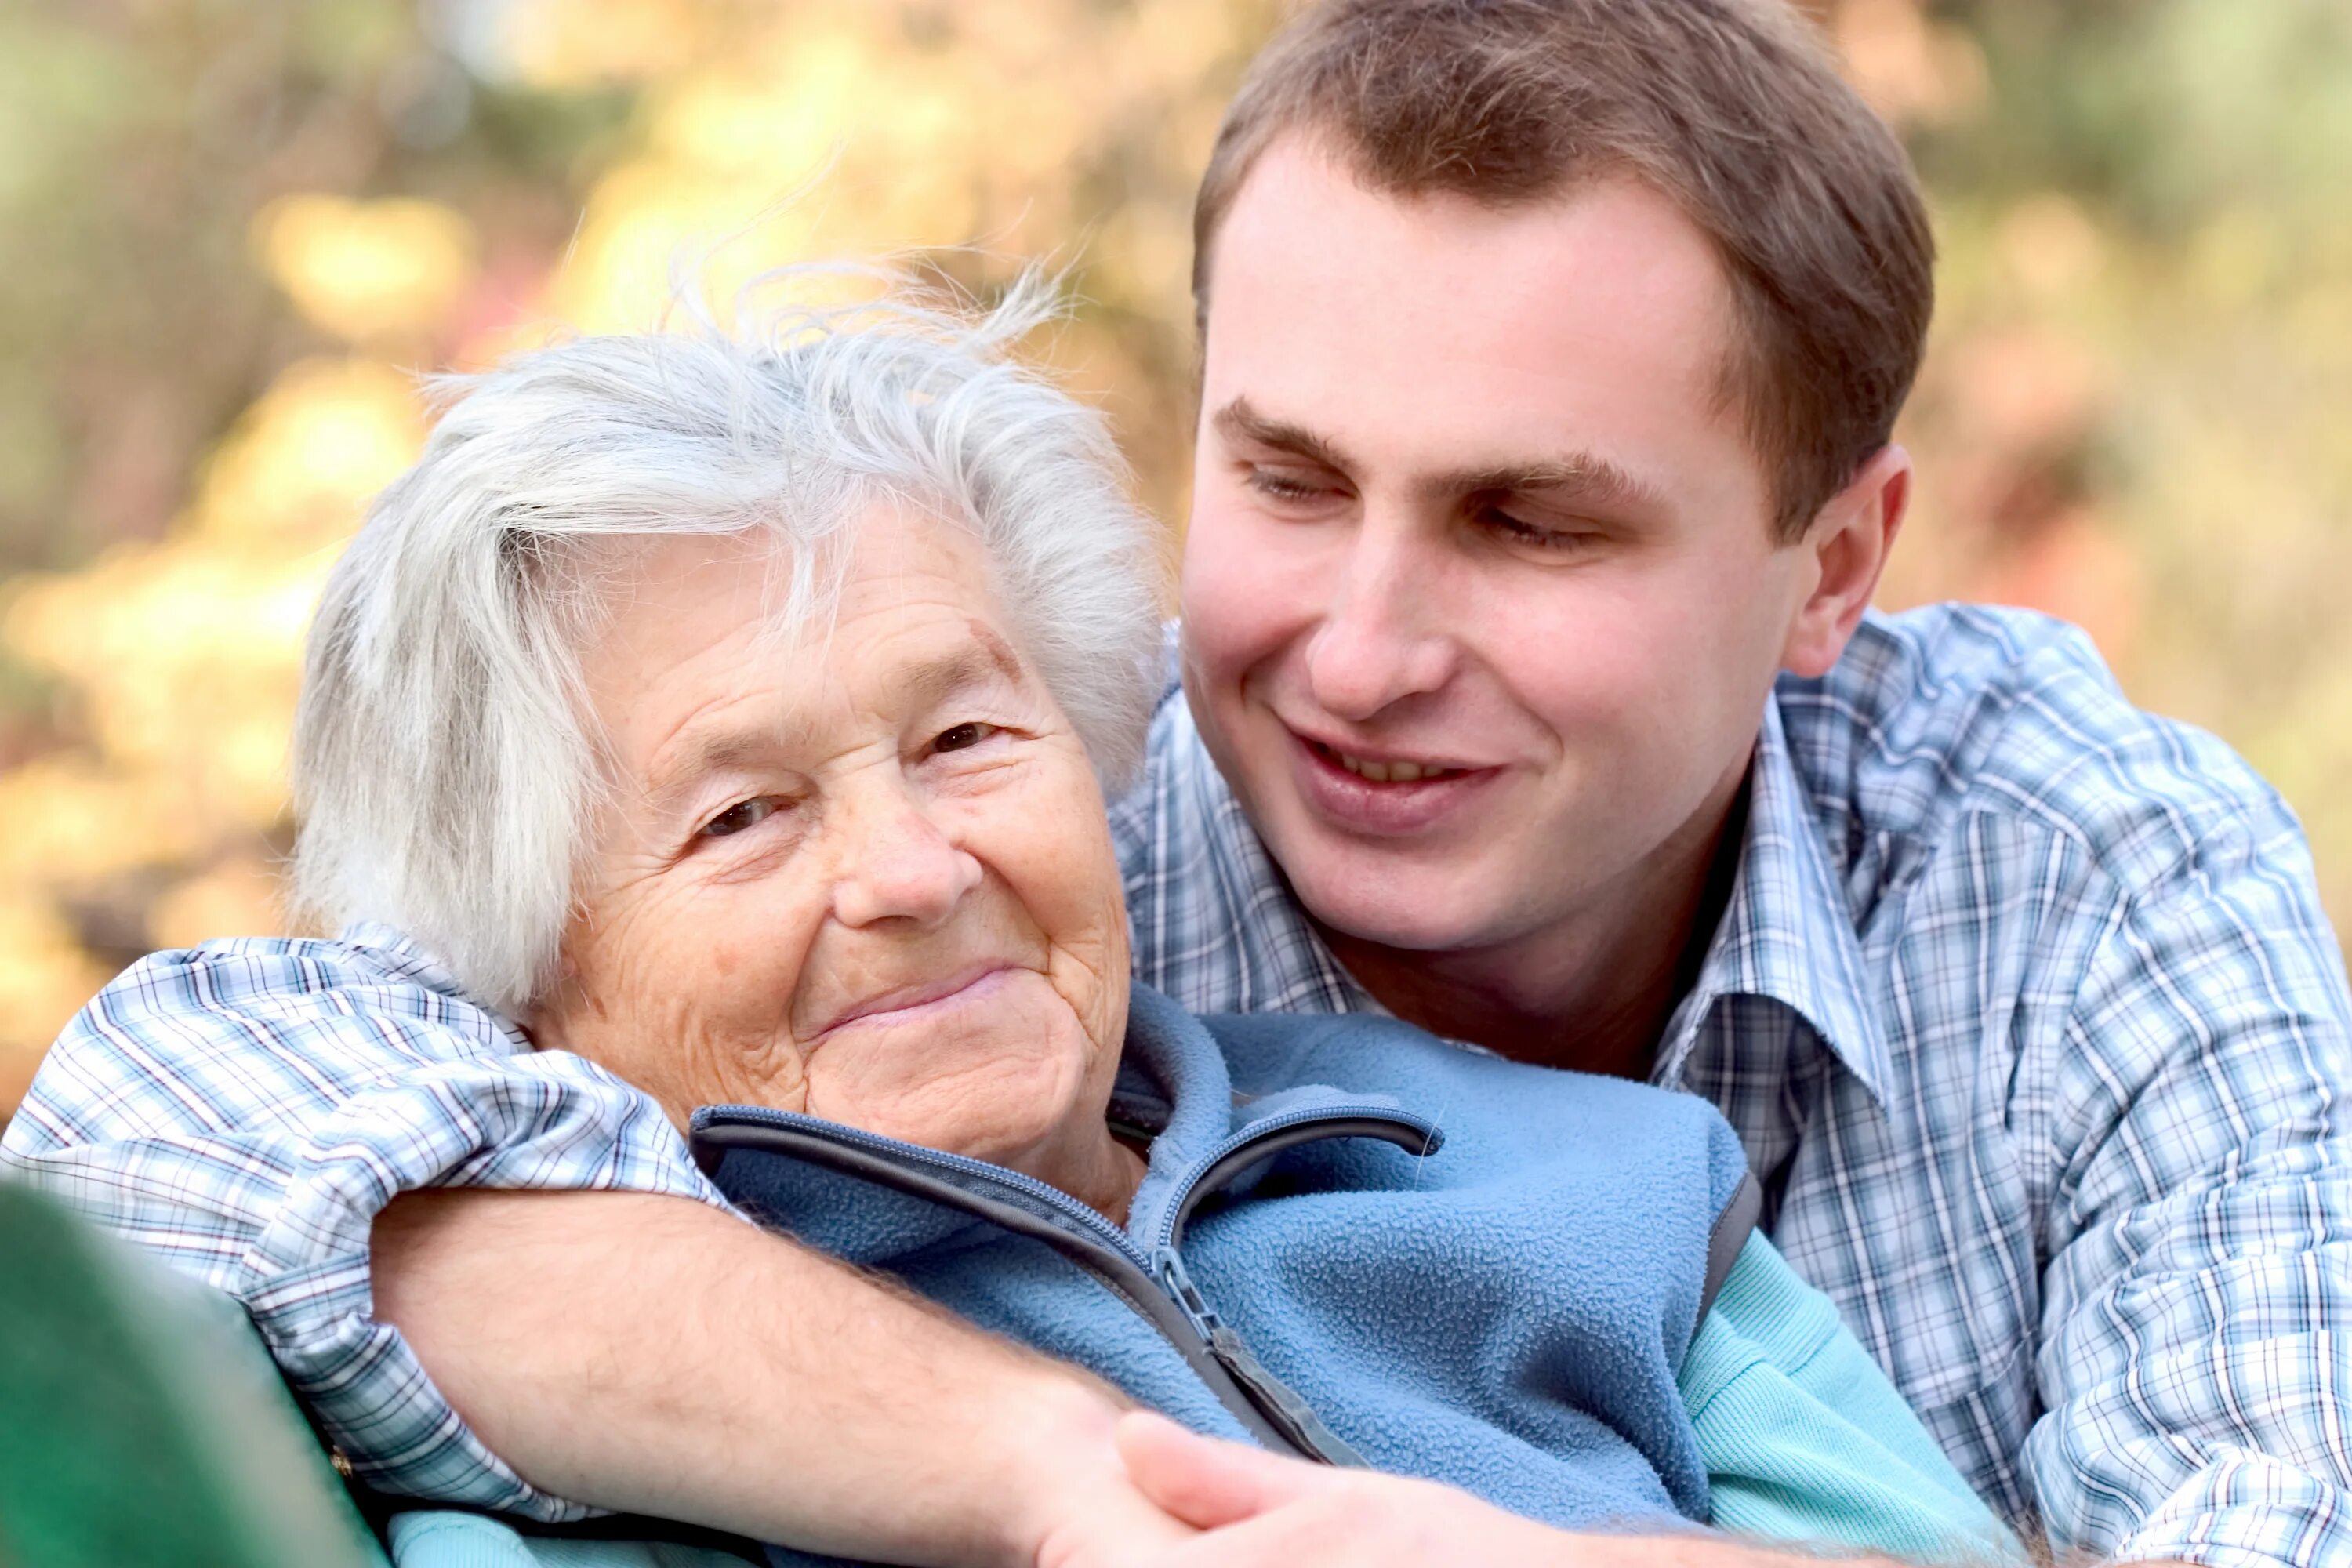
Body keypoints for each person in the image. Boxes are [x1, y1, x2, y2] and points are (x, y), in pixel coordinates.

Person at [7, 0, 2350, 1563]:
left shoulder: (2062, 885)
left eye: (1530, 521)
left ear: (1830, 566)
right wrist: (1056, 1476)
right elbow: (160, 1131)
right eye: (1291, 480)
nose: (1357, 651)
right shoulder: (1042, 810)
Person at [237, 297, 2010, 1568]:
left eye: (966, 738)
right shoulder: (602, 1455)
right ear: (532, 985)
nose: (913, 868)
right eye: (742, 815)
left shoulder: (1568, 1168)